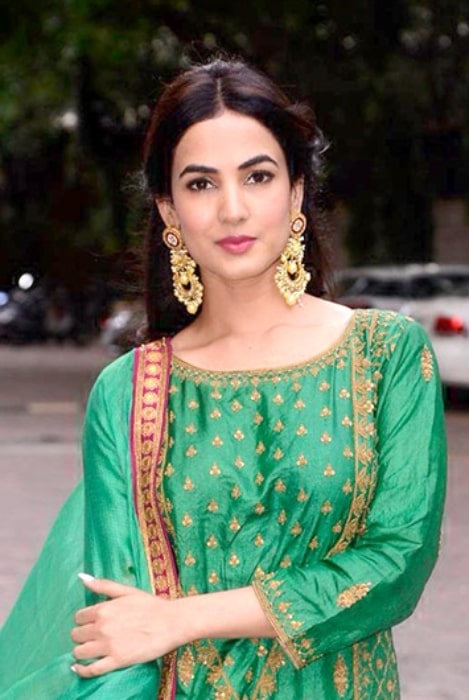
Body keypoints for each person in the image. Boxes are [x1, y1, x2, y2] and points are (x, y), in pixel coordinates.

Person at [0, 57, 446, 700]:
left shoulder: (386, 356)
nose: (232, 209)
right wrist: (149, 628)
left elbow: (395, 564)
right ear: (168, 209)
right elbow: (118, 622)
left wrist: (181, 619)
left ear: (295, 191)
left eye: (257, 176)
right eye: (202, 184)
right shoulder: (130, 392)